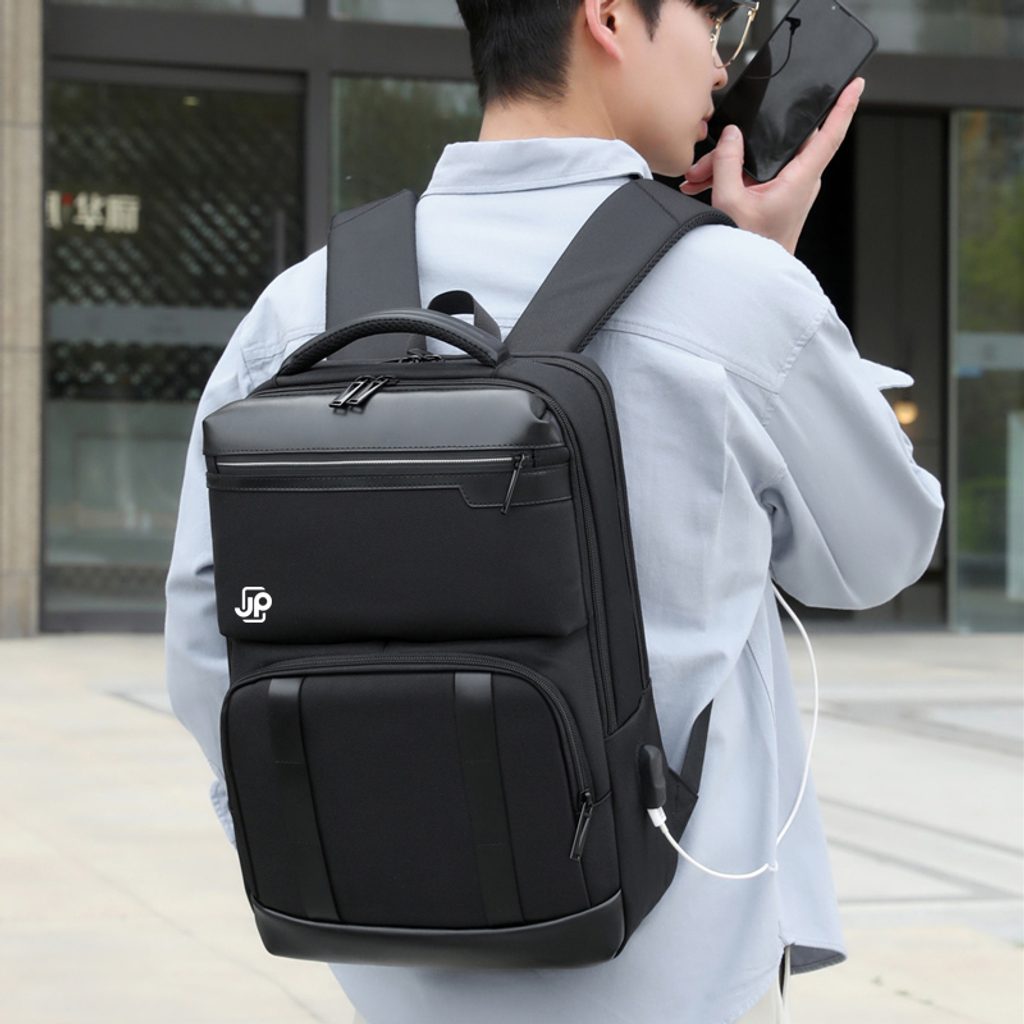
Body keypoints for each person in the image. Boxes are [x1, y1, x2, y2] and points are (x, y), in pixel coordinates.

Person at [164, 1, 945, 1022]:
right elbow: (884, 552)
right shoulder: (738, 294)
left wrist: (349, 846)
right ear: (610, 15)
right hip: (675, 969)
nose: (722, 63)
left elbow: (203, 631)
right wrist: (774, 275)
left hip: (392, 967)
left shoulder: (300, 309)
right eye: (708, 17)